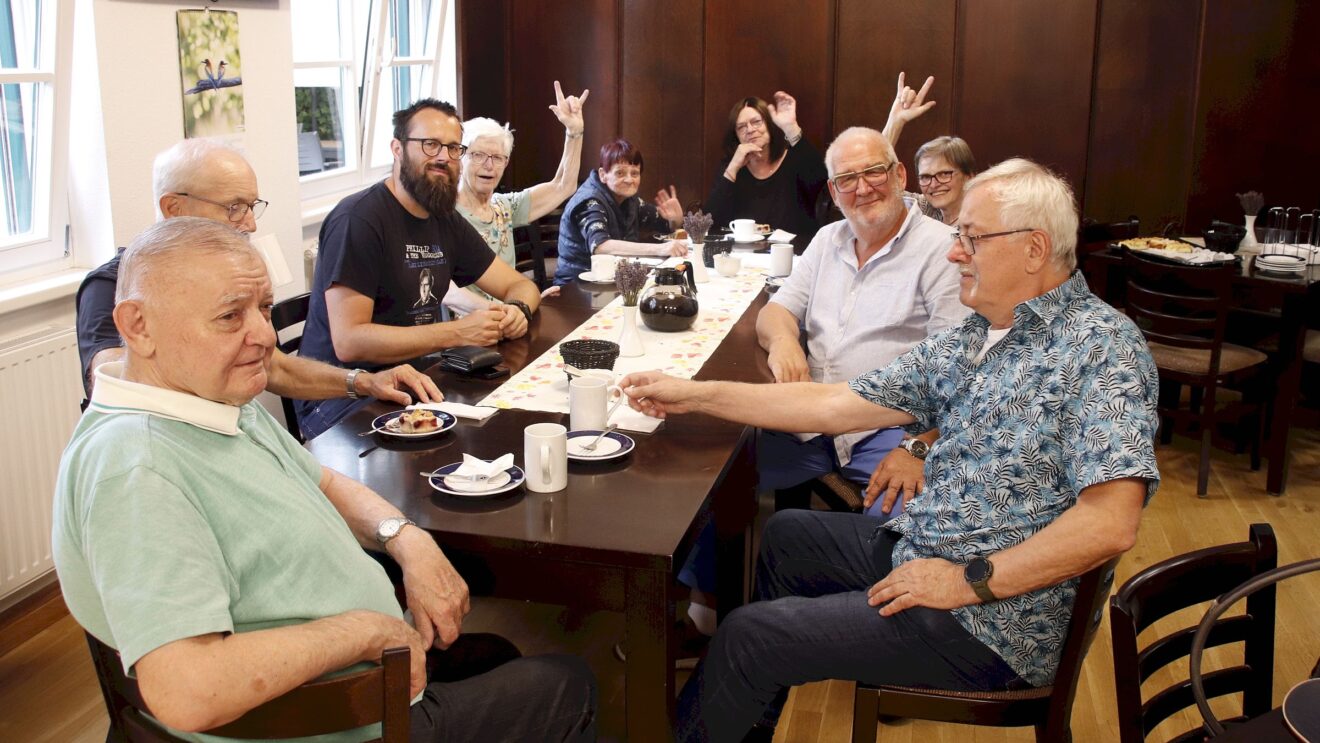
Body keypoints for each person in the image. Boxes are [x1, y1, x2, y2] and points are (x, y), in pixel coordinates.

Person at [620, 158, 1161, 742]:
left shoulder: (1101, 347)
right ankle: (747, 720)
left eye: (971, 239)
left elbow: (1109, 523)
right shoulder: (980, 335)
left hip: (996, 619)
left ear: (1034, 249)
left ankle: (736, 691)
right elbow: (833, 406)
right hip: (933, 549)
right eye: (959, 237)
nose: (955, 253)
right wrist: (693, 395)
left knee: (751, 636)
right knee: (787, 537)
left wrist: (965, 581)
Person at [54, 217, 597, 742]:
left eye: (264, 309)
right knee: (568, 685)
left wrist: (406, 539)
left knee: (498, 654)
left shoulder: (209, 400)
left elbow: (323, 483)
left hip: (364, 674)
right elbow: (187, 690)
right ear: (137, 326)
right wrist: (366, 630)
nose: (264, 337)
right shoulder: (135, 466)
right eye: (229, 317)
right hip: (335, 720)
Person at [676, 126, 968, 637]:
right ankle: (705, 606)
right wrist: (786, 341)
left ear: (899, 175)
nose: (863, 188)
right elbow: (776, 312)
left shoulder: (941, 251)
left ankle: (882, 648)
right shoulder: (829, 241)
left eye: (874, 171)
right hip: (812, 418)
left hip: (894, 430)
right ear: (832, 192)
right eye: (847, 179)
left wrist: (921, 446)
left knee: (906, 526)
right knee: (709, 467)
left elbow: (961, 373)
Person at [74, 138, 439, 419]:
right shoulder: (110, 285)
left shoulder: (232, 276)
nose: (249, 224)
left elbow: (273, 365)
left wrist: (362, 381)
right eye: (234, 208)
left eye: (251, 207)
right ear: (174, 208)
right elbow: (118, 380)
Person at [297, 98, 543, 439]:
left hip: (417, 380)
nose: (443, 156)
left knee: (508, 424)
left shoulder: (444, 219)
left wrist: (518, 310)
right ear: (397, 148)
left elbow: (521, 286)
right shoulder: (358, 220)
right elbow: (349, 342)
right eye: (430, 145)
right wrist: (457, 333)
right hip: (342, 400)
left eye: (454, 148)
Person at [447, 80, 588, 310]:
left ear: (506, 163)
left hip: (511, 318)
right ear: (461, 158)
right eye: (478, 155)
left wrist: (574, 132)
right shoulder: (446, 215)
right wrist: (504, 312)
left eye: (497, 157)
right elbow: (446, 291)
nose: (489, 165)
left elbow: (563, 185)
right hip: (471, 327)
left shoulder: (505, 206)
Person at [553, 138, 687, 285]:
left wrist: (675, 220)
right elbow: (600, 246)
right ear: (603, 175)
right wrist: (660, 249)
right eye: (620, 173)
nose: (629, 180)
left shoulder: (629, 200)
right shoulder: (590, 200)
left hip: (614, 281)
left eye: (635, 173)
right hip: (576, 287)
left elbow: (663, 225)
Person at [705, 92, 827, 242]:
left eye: (756, 122)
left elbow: (822, 181)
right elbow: (709, 221)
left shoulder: (794, 158)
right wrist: (733, 168)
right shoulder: (732, 167)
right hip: (745, 255)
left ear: (769, 125)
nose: (749, 130)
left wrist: (791, 128)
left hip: (793, 252)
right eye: (741, 127)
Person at [914, 135, 978, 225]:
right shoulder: (924, 207)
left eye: (944, 174)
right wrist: (894, 125)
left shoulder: (979, 223)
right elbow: (888, 188)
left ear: (969, 177)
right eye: (926, 177)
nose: (933, 185)